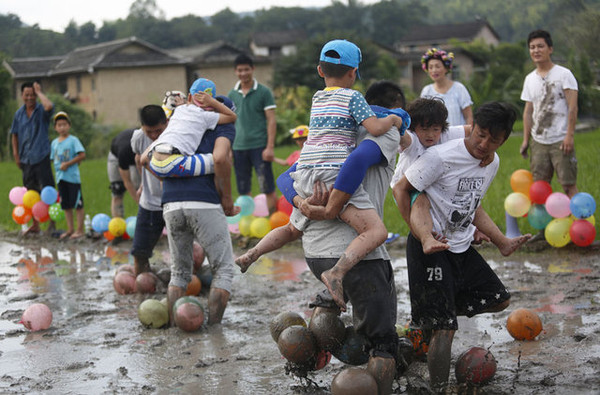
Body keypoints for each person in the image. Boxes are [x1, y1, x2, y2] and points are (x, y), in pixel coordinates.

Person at [237, 41, 406, 312]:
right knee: (376, 231)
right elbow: (373, 129)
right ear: (353, 73)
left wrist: (304, 202)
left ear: (319, 70)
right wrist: (395, 121)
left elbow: (285, 179)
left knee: (292, 228)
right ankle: (338, 272)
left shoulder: (317, 98)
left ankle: (253, 253)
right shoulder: (354, 98)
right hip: (333, 172)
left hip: (305, 171)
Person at [279, 80, 407, 393]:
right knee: (383, 343)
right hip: (361, 254)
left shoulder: (331, 135)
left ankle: (303, 364)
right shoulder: (385, 130)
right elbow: (358, 160)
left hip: (316, 250)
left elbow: (285, 176)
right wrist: (335, 204)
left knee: (330, 305)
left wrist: (302, 203)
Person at [394, 102, 531, 392]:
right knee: (446, 329)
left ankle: (428, 318)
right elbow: (401, 189)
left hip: (460, 245)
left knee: (499, 299)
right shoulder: (438, 157)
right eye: (480, 134)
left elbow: (472, 203)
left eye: (493, 140)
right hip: (429, 248)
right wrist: (419, 233)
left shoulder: (491, 162)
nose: (484, 144)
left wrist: (500, 240)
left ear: (504, 140)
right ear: (473, 127)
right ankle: (439, 388)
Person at [159, 95, 239, 326]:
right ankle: (214, 329)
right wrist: (226, 199)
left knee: (179, 272)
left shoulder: (180, 124)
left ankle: (175, 326)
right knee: (223, 269)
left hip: (171, 203)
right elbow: (221, 159)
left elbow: (149, 159)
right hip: (203, 202)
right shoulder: (224, 129)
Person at [390, 98, 491, 254]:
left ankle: (476, 231)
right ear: (413, 128)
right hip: (411, 188)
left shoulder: (445, 133)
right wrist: (395, 121)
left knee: (465, 197)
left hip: (434, 183)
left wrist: (488, 151)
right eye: (424, 129)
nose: (430, 135)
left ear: (442, 127)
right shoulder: (412, 139)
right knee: (421, 201)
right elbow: (402, 136)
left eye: (435, 129)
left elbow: (474, 131)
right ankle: (426, 238)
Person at [520, 30, 579, 198]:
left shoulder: (564, 74)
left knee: (568, 186)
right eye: (532, 47)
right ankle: (543, 225)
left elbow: (573, 108)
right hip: (538, 142)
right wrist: (526, 140)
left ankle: (579, 222)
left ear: (550, 49)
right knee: (540, 188)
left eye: (540, 46)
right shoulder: (529, 79)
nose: (536, 51)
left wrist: (569, 136)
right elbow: (528, 111)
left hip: (560, 140)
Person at [143, 78, 237, 178]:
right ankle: (225, 194)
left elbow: (188, 110)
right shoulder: (205, 116)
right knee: (221, 162)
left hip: (154, 162)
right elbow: (232, 117)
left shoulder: (179, 109)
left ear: (189, 97)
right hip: (174, 163)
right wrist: (214, 103)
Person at [228, 54, 278, 212]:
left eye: (246, 69)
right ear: (235, 71)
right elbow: (229, 123)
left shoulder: (264, 92)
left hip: (260, 146)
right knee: (243, 188)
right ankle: (247, 218)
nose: (243, 73)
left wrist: (269, 147)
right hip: (238, 147)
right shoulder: (231, 95)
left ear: (252, 69)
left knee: (267, 185)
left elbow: (271, 120)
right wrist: (229, 148)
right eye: (240, 70)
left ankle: (273, 219)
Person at [10, 81, 56, 235]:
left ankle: (52, 223)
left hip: (41, 156)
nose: (29, 98)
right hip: (26, 158)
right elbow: (14, 135)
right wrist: (16, 155)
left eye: (32, 95)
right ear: (22, 95)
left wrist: (40, 92)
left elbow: (49, 106)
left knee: (47, 190)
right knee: (31, 193)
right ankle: (35, 225)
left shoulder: (41, 110)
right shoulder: (19, 114)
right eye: (27, 95)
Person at [130, 105, 169, 275]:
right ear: (142, 127)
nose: (154, 136)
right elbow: (139, 157)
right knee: (140, 252)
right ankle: (141, 292)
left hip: (174, 202)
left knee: (184, 252)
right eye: (149, 132)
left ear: (166, 123)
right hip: (150, 203)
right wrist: (142, 184)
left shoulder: (177, 135)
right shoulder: (138, 137)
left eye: (158, 131)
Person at [49, 111, 86, 240]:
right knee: (66, 205)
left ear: (69, 126)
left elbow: (81, 155)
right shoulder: (54, 143)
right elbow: (53, 159)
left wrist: (69, 164)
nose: (62, 127)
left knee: (78, 204)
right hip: (60, 178)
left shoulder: (73, 140)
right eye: (59, 125)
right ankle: (70, 229)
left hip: (73, 178)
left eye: (64, 124)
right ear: (55, 128)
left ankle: (80, 230)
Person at [420, 48, 473, 127]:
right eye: (430, 67)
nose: (434, 70)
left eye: (437, 66)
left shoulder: (459, 88)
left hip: (459, 137)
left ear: (446, 68)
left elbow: (469, 117)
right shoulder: (426, 91)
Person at [107, 128, 141, 218]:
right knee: (118, 190)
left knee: (140, 187)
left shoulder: (145, 144)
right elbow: (127, 182)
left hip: (135, 156)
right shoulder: (124, 152)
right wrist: (138, 202)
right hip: (115, 157)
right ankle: (118, 224)